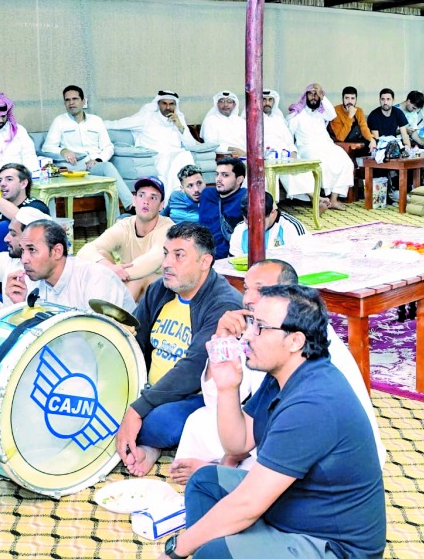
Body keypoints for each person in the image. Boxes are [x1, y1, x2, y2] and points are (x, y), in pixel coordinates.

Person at [142, 284, 385, 559]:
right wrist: (228, 387)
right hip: (287, 514)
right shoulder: (284, 374)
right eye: (251, 323)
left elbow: (248, 505)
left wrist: (175, 551)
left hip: (333, 554)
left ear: (295, 340)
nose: (247, 335)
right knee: (204, 482)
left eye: (260, 327)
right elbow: (238, 444)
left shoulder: (313, 404)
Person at [169, 258, 385, 482]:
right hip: (279, 434)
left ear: (288, 295)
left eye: (261, 290)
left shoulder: (304, 345)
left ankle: (220, 475)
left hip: (327, 467)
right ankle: (224, 474)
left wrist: (223, 467)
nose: (247, 299)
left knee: (210, 483)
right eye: (246, 288)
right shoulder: (260, 329)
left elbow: (292, 427)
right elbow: (219, 404)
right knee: (198, 421)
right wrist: (222, 339)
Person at [114, 222, 250, 476]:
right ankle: (151, 445)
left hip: (194, 396)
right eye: (166, 253)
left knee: (162, 423)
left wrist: (136, 409)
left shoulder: (223, 304)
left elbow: (193, 369)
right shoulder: (160, 289)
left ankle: (151, 441)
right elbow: (136, 341)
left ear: (204, 262)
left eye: (179, 255)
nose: (167, 263)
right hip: (149, 388)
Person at [0, 207, 122, 369]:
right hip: (48, 352)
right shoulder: (33, 273)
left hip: (99, 365)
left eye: (32, 250)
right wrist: (21, 308)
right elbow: (38, 334)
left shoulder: (95, 279)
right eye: (24, 250)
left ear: (56, 251)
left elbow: (100, 343)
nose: (24, 259)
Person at [77, 177, 174, 301]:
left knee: (140, 278)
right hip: (126, 282)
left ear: (161, 205)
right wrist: (109, 267)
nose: (146, 201)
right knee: (100, 255)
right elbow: (85, 251)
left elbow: (150, 262)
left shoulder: (168, 228)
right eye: (141, 195)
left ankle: (115, 311)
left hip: (163, 289)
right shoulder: (124, 225)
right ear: (134, 200)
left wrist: (113, 274)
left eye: (153, 198)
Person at [41, 84, 134, 209]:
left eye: (75, 99)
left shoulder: (96, 121)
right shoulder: (59, 121)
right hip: (73, 167)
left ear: (83, 101)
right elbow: (46, 147)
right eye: (67, 100)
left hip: (94, 165)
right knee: (108, 177)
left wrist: (98, 160)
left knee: (108, 171)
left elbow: (108, 147)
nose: (71, 103)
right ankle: (129, 208)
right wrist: (63, 150)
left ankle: (130, 207)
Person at [107, 90, 204, 192]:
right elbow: (116, 124)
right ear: (158, 104)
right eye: (164, 103)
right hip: (158, 158)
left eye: (171, 104)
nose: (168, 107)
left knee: (185, 155)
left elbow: (191, 144)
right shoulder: (146, 118)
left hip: (177, 156)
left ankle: (183, 194)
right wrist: (97, 124)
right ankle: (183, 194)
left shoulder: (178, 119)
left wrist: (179, 126)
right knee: (183, 157)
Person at [289, 83, 354, 211]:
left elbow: (332, 115)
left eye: (316, 94)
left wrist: (323, 96)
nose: (313, 97)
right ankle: (317, 199)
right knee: (322, 163)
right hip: (306, 147)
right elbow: (288, 135)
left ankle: (334, 199)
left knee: (346, 161)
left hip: (327, 145)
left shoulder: (321, 112)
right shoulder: (297, 114)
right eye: (310, 94)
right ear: (305, 96)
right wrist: (292, 151)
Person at [165, 162, 247, 259]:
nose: (196, 189)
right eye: (190, 186)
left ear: (205, 182)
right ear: (182, 189)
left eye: (199, 183)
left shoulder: (209, 199)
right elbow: (162, 215)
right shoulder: (176, 197)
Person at [260, 89, 314, 200]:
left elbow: (289, 139)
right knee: (275, 170)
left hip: (284, 153)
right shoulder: (253, 119)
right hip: (267, 155)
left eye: (270, 100)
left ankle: (314, 197)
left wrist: (293, 152)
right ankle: (315, 198)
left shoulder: (278, 119)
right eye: (264, 100)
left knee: (299, 168)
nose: (267, 103)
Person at [228, 192, 307, 257]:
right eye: (248, 222)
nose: (254, 227)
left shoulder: (291, 228)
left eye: (258, 222)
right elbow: (233, 263)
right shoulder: (239, 231)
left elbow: (304, 262)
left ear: (272, 212)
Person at [327, 86, 376, 150]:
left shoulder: (359, 111)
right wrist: (350, 116)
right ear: (342, 99)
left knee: (373, 143)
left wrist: (371, 139)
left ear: (356, 100)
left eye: (352, 98)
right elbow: (340, 137)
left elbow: (364, 128)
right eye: (347, 98)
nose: (349, 101)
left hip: (355, 142)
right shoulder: (335, 111)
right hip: (340, 145)